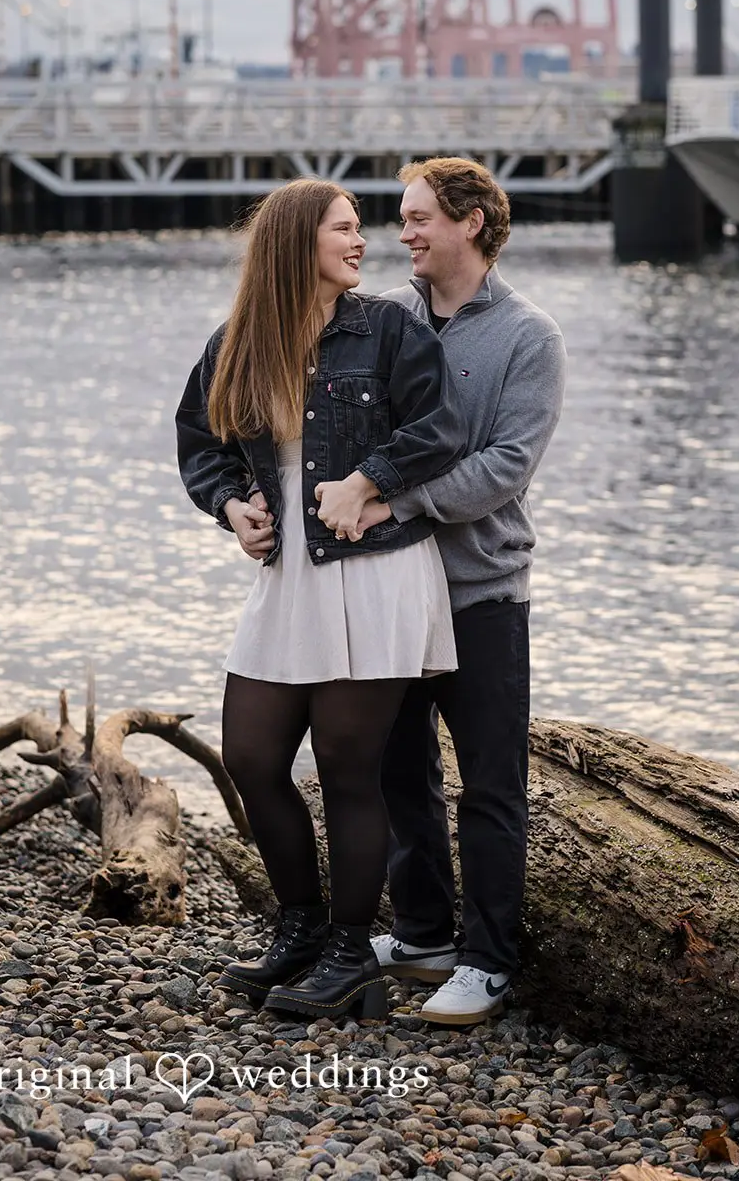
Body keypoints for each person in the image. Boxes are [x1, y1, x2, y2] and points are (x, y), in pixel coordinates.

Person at [174, 178, 466, 1023]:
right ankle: (299, 929)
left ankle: (350, 953)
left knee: (344, 766)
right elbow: (200, 439)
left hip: (376, 572)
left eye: (359, 227)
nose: (361, 240)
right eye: (343, 228)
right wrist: (230, 504)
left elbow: (441, 429)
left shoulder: (387, 329)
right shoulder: (237, 341)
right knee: (252, 758)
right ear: (295, 241)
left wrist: (368, 478)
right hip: (287, 575)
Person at [365, 157, 567, 1026]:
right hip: (389, 587)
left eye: (418, 217)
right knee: (397, 773)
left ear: (471, 221)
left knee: (490, 786)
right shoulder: (382, 317)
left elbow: (505, 467)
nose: (402, 232)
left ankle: (487, 962)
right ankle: (421, 936)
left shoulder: (529, 336)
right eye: (402, 217)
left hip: (482, 592)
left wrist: (395, 500)